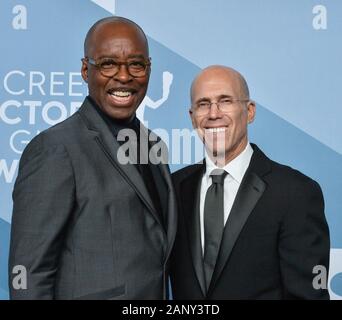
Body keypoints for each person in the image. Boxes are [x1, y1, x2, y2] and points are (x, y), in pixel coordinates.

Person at [9, 17, 177, 300]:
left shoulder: (153, 146)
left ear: (149, 70)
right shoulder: (55, 149)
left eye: (136, 64)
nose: (124, 77)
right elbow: (28, 272)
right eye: (108, 64)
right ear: (86, 70)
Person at [170, 65, 330, 299]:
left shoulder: (295, 193)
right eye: (203, 104)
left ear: (250, 111)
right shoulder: (173, 188)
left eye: (225, 101)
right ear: (192, 118)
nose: (214, 113)